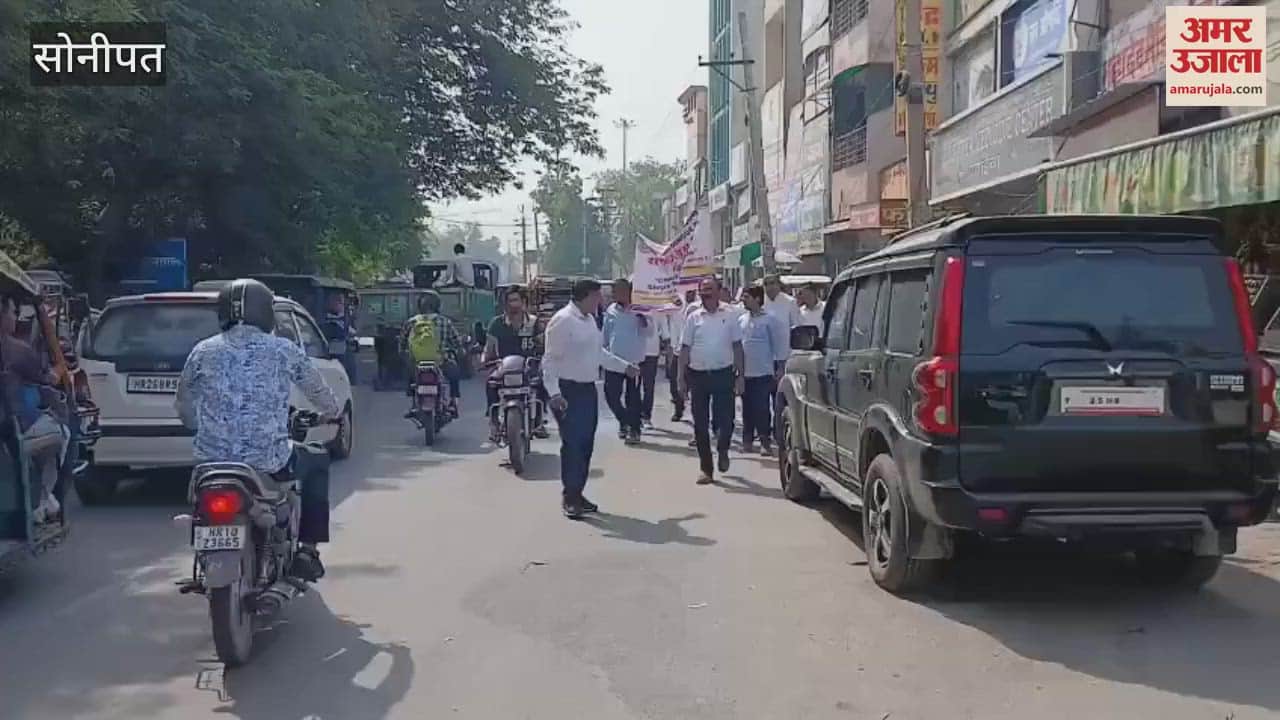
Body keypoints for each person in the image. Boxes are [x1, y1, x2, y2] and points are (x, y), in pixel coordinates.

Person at [175, 279, 339, 581]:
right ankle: (307, 550)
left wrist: (197, 426)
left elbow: (184, 403)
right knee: (316, 460)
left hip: (212, 463)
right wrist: (331, 413)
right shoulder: (282, 350)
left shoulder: (202, 350)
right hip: (268, 461)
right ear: (265, 313)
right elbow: (319, 392)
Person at [544, 279, 640, 518]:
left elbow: (598, 354)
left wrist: (624, 367)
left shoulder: (589, 321)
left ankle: (578, 492)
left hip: (587, 390)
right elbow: (550, 360)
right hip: (568, 391)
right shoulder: (563, 321)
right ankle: (570, 496)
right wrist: (554, 393)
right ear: (586, 296)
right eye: (598, 296)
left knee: (586, 444)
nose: (601, 301)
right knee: (573, 444)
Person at [0, 297, 68, 524]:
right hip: (12, 433)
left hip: (10, 430)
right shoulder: (15, 349)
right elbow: (45, 378)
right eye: (11, 311)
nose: (14, 317)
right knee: (62, 433)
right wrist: (59, 371)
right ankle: (42, 500)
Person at [679, 276, 745, 485]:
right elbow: (685, 348)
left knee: (725, 420)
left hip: (723, 374)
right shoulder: (693, 317)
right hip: (698, 376)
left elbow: (737, 346)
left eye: (709, 289)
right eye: (702, 290)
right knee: (700, 424)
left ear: (718, 291)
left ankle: (723, 449)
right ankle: (706, 468)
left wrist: (741, 376)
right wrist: (681, 377)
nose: (705, 293)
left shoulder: (731, 314)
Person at [483, 286, 549, 439]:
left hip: (528, 366)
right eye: (509, 301)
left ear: (523, 302)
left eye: (515, 300)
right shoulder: (496, 324)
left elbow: (544, 344)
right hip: (503, 367)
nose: (512, 304)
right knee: (490, 383)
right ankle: (494, 422)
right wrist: (484, 360)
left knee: (542, 381)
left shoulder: (533, 322)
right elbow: (489, 347)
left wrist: (545, 355)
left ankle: (538, 422)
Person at [739, 286, 789, 456]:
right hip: (745, 372)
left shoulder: (770, 320)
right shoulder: (742, 320)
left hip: (763, 372)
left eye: (746, 297)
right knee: (747, 408)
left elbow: (779, 344)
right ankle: (747, 440)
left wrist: (780, 367)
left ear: (757, 299)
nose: (743, 300)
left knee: (762, 408)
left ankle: (765, 442)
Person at [601, 279, 652, 444]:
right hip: (614, 361)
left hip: (634, 362)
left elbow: (650, 332)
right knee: (611, 396)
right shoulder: (611, 310)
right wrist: (602, 354)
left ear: (628, 291)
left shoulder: (641, 309)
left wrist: (644, 321)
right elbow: (606, 334)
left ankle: (634, 430)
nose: (615, 294)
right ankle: (625, 421)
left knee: (633, 398)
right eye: (614, 291)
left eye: (618, 291)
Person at [402, 291, 464, 414]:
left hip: (417, 363)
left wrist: (406, 356)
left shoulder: (411, 322)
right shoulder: (445, 322)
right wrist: (461, 351)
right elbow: (457, 342)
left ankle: (413, 401)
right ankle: (453, 402)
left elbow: (402, 344)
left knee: (410, 373)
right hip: (440, 362)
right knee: (454, 375)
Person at [659, 296, 687, 422]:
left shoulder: (699, 305)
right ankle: (679, 408)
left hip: (695, 351)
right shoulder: (674, 300)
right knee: (673, 382)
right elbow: (662, 309)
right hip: (677, 349)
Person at [640, 302, 661, 430]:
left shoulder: (659, 309)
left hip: (652, 353)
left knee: (649, 387)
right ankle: (634, 418)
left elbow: (664, 331)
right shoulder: (633, 309)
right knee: (634, 388)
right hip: (635, 351)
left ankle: (646, 416)